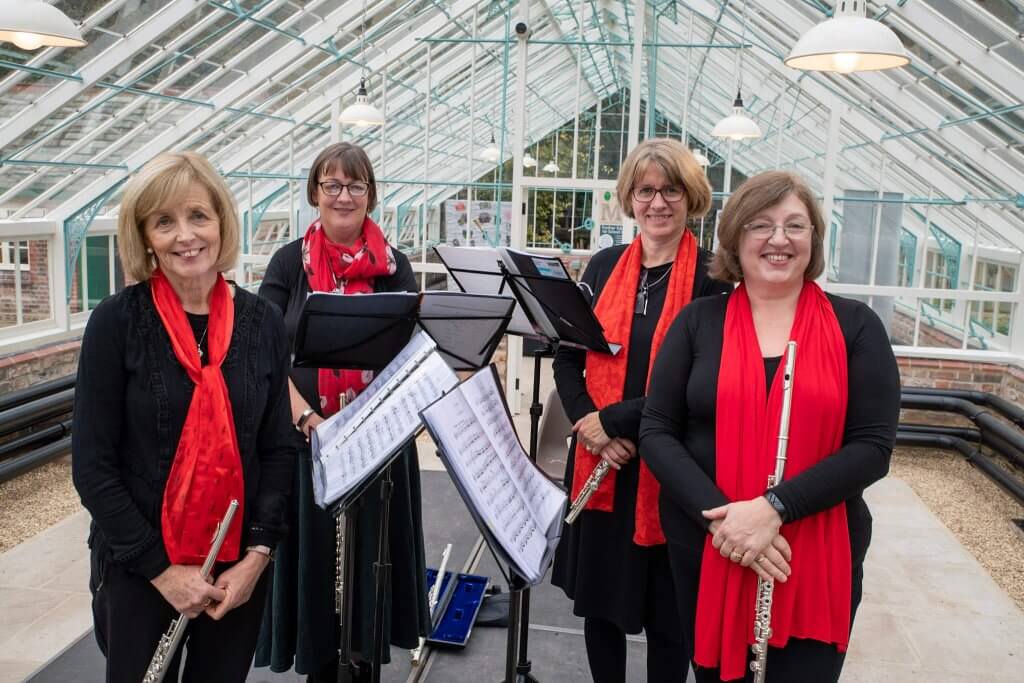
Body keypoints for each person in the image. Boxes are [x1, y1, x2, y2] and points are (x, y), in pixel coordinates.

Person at [639, 170, 900, 682]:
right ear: (736, 237)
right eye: (761, 225)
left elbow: (872, 447)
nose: (779, 239)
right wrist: (727, 524)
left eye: (795, 226)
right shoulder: (697, 322)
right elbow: (657, 429)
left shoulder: (857, 326)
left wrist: (773, 509)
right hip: (711, 542)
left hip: (814, 546)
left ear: (813, 240)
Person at [72, 151, 296, 682]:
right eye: (164, 221)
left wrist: (257, 556)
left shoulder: (262, 323)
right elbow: (93, 466)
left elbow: (277, 449)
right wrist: (163, 572)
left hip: (235, 570)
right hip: (140, 570)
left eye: (198, 216)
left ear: (221, 221)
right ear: (145, 236)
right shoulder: (116, 323)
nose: (185, 235)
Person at [551, 137, 733, 683]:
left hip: (671, 467)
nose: (658, 203)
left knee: (669, 617)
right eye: (646, 190)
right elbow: (568, 352)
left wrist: (619, 421)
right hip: (604, 463)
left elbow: (705, 381)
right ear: (629, 197)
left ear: (691, 196)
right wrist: (592, 427)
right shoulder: (604, 265)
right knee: (601, 606)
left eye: (671, 190)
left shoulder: (714, 278)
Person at [254, 142, 429, 682]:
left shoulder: (395, 267)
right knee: (315, 573)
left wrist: (365, 428)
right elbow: (264, 353)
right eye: (332, 185)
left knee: (369, 572)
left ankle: (363, 662)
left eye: (356, 186)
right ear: (314, 193)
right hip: (308, 443)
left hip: (376, 449)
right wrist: (309, 420)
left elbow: (411, 359)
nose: (344, 195)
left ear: (371, 196)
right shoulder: (288, 263)